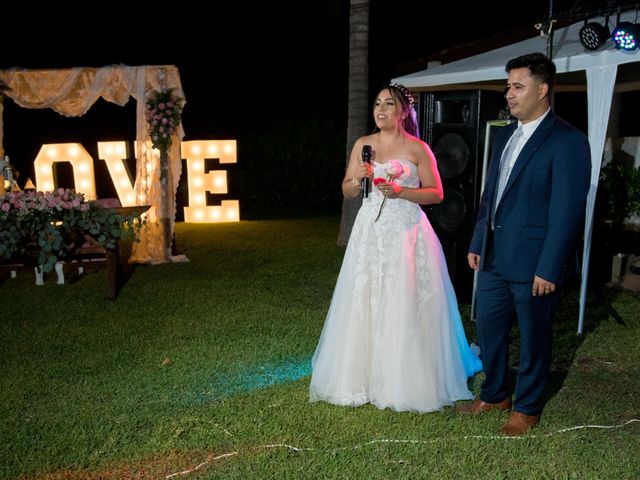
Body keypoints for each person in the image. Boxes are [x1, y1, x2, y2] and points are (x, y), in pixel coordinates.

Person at [309, 83, 482, 413]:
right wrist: (357, 177)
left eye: (389, 104)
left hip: (407, 231)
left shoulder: (418, 148)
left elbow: (436, 194)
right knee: (365, 296)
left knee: (404, 297)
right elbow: (346, 190)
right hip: (370, 232)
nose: (381, 109)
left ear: (403, 111)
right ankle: (362, 373)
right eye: (377, 104)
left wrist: (402, 192)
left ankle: (405, 373)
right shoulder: (364, 145)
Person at [458, 53, 591, 435]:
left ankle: (528, 407)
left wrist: (549, 267)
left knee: (534, 337)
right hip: (495, 255)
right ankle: (496, 392)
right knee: (489, 326)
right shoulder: (503, 135)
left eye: (518, 86)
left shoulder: (567, 140)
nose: (509, 94)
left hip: (535, 262)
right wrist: (479, 239)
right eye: (508, 86)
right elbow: (491, 194)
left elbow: (567, 211)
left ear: (543, 89)